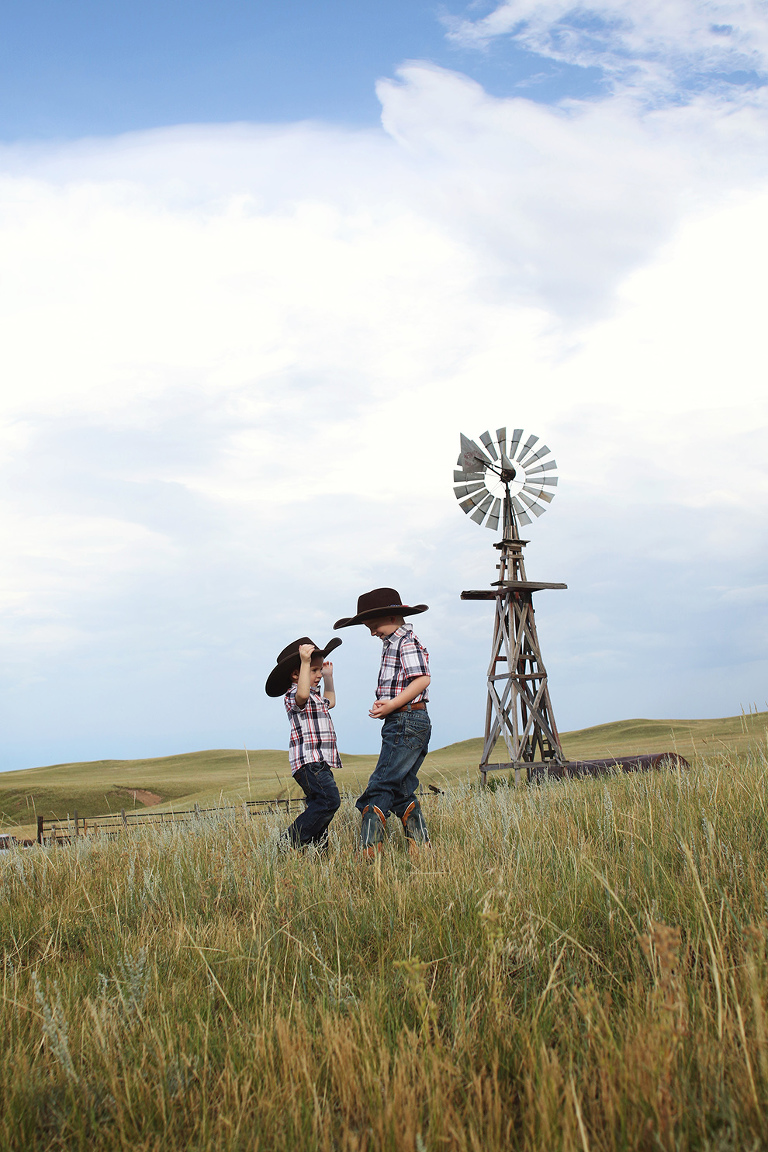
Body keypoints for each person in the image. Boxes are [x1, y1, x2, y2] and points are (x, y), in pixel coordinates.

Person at [334, 588, 431, 857]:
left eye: (373, 626)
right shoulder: (393, 643)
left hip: (406, 719)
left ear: (391, 617)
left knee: (381, 783)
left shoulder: (406, 641)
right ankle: (421, 847)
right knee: (401, 788)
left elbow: (422, 679)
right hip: (406, 718)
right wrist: (388, 703)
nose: (372, 633)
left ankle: (370, 850)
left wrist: (393, 704)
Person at [265, 636, 342, 852]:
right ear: (295, 675)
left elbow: (331, 701)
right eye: (314, 670)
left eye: (319, 670)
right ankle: (287, 843)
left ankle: (317, 851)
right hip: (309, 761)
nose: (318, 674)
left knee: (319, 804)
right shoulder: (293, 695)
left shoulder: (316, 697)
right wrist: (305, 661)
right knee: (329, 801)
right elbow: (302, 693)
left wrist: (329, 678)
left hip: (320, 761)